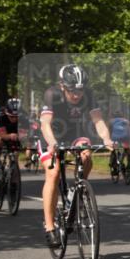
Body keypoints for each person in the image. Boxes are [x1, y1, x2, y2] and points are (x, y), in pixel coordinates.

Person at [39, 65, 114, 246]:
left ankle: (79, 187)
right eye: (72, 90)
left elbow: (98, 120)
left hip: (74, 133)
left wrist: (107, 139)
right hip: (51, 135)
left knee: (86, 155)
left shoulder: (88, 95)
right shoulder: (52, 95)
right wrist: (52, 143)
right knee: (54, 172)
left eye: (79, 90)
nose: (76, 95)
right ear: (62, 86)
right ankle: (49, 226)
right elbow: (45, 124)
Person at [0, 98, 22, 188]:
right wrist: (10, 136)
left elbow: (30, 129)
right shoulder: (0, 115)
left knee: (15, 157)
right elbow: (3, 135)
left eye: (17, 116)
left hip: (13, 130)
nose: (14, 119)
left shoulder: (24, 115)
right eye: (11, 116)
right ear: (6, 112)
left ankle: (13, 185)